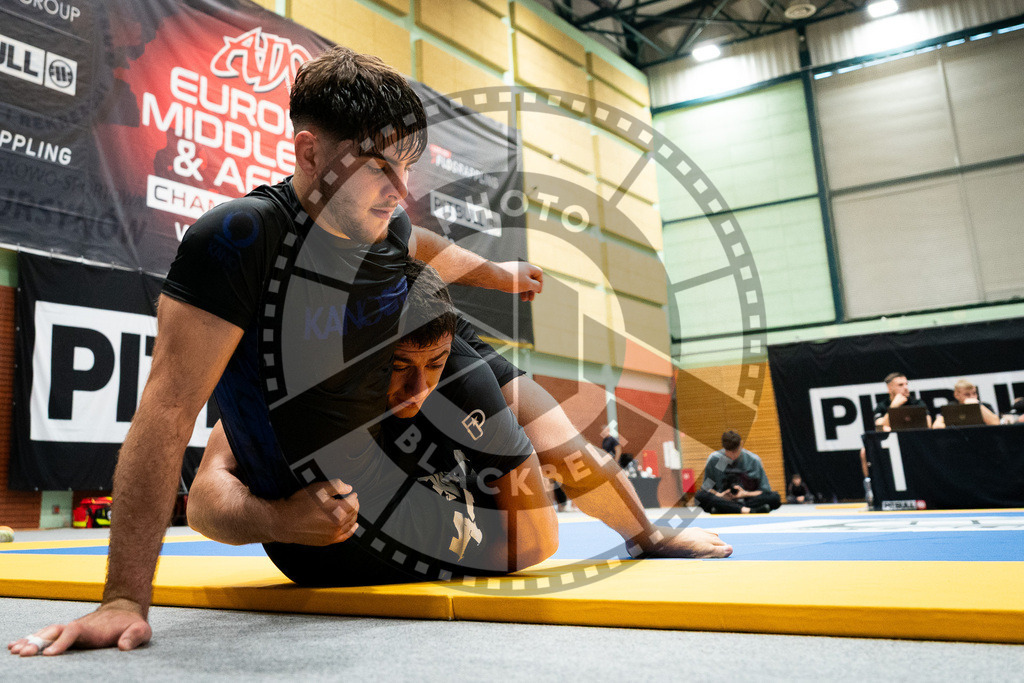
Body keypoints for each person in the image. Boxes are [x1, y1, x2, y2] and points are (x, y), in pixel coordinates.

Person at [9, 46, 544, 658]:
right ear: (310, 152)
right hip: (316, 542)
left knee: (537, 510)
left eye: (405, 166)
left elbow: (425, 243)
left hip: (408, 507)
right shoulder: (241, 238)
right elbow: (167, 410)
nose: (399, 189)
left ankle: (640, 532)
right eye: (377, 167)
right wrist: (125, 598)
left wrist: (497, 275)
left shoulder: (388, 229)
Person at [186, 260, 732, 585]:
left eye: (432, 367)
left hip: (453, 514)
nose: (413, 393)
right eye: (396, 369)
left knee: (533, 437)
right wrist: (276, 521)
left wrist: (646, 534)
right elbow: (204, 496)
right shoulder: (316, 376)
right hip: (312, 553)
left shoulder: (469, 372)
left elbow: (564, 469)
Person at [859, 372, 930, 503]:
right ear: (889, 388)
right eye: (900, 385)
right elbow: (879, 426)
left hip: (915, 442)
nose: (905, 388)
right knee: (864, 452)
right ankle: (870, 489)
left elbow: (928, 423)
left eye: (906, 384)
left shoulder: (917, 402)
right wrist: (894, 407)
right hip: (891, 447)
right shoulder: (882, 406)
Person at [694, 430, 781, 514]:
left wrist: (745, 494)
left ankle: (727, 510)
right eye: (729, 452)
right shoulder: (715, 460)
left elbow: (764, 491)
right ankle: (749, 510)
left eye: (735, 451)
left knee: (775, 497)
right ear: (724, 448)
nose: (733, 456)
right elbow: (707, 489)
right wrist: (720, 495)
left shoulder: (753, 460)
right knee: (700, 496)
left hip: (746, 499)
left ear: (741, 444)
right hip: (723, 499)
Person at [932, 379, 1000, 428]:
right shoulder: (951, 407)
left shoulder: (985, 406)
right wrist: (960, 427)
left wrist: (978, 406)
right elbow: (936, 425)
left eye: (974, 393)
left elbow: (996, 423)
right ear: (957, 395)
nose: (972, 397)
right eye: (967, 394)